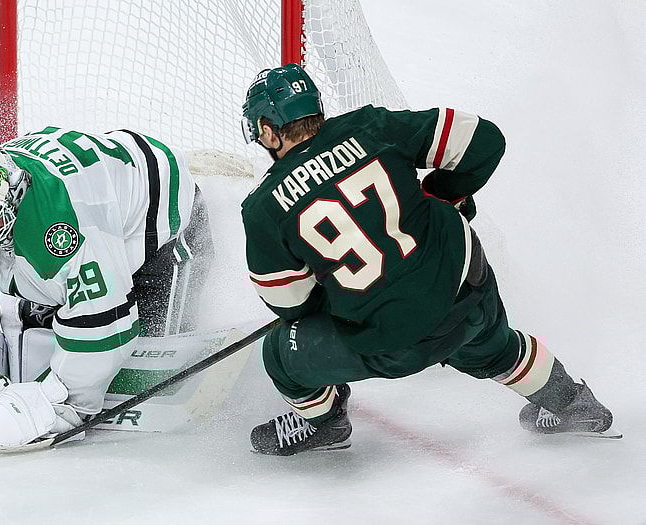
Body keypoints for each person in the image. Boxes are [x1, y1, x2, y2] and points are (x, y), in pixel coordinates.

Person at [239, 63, 618, 456]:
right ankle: (574, 403)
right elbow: (484, 141)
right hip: (464, 286)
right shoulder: (370, 126)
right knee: (495, 346)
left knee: (280, 354)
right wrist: (441, 194)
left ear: (267, 130)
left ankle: (326, 423)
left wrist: (335, 284)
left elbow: (292, 305)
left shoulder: (263, 207)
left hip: (396, 342)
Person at [0, 126, 214, 450]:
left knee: (147, 365)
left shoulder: (66, 217)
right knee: (41, 345)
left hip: (159, 218)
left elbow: (106, 322)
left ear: (18, 192)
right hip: (86, 207)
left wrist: (57, 404)